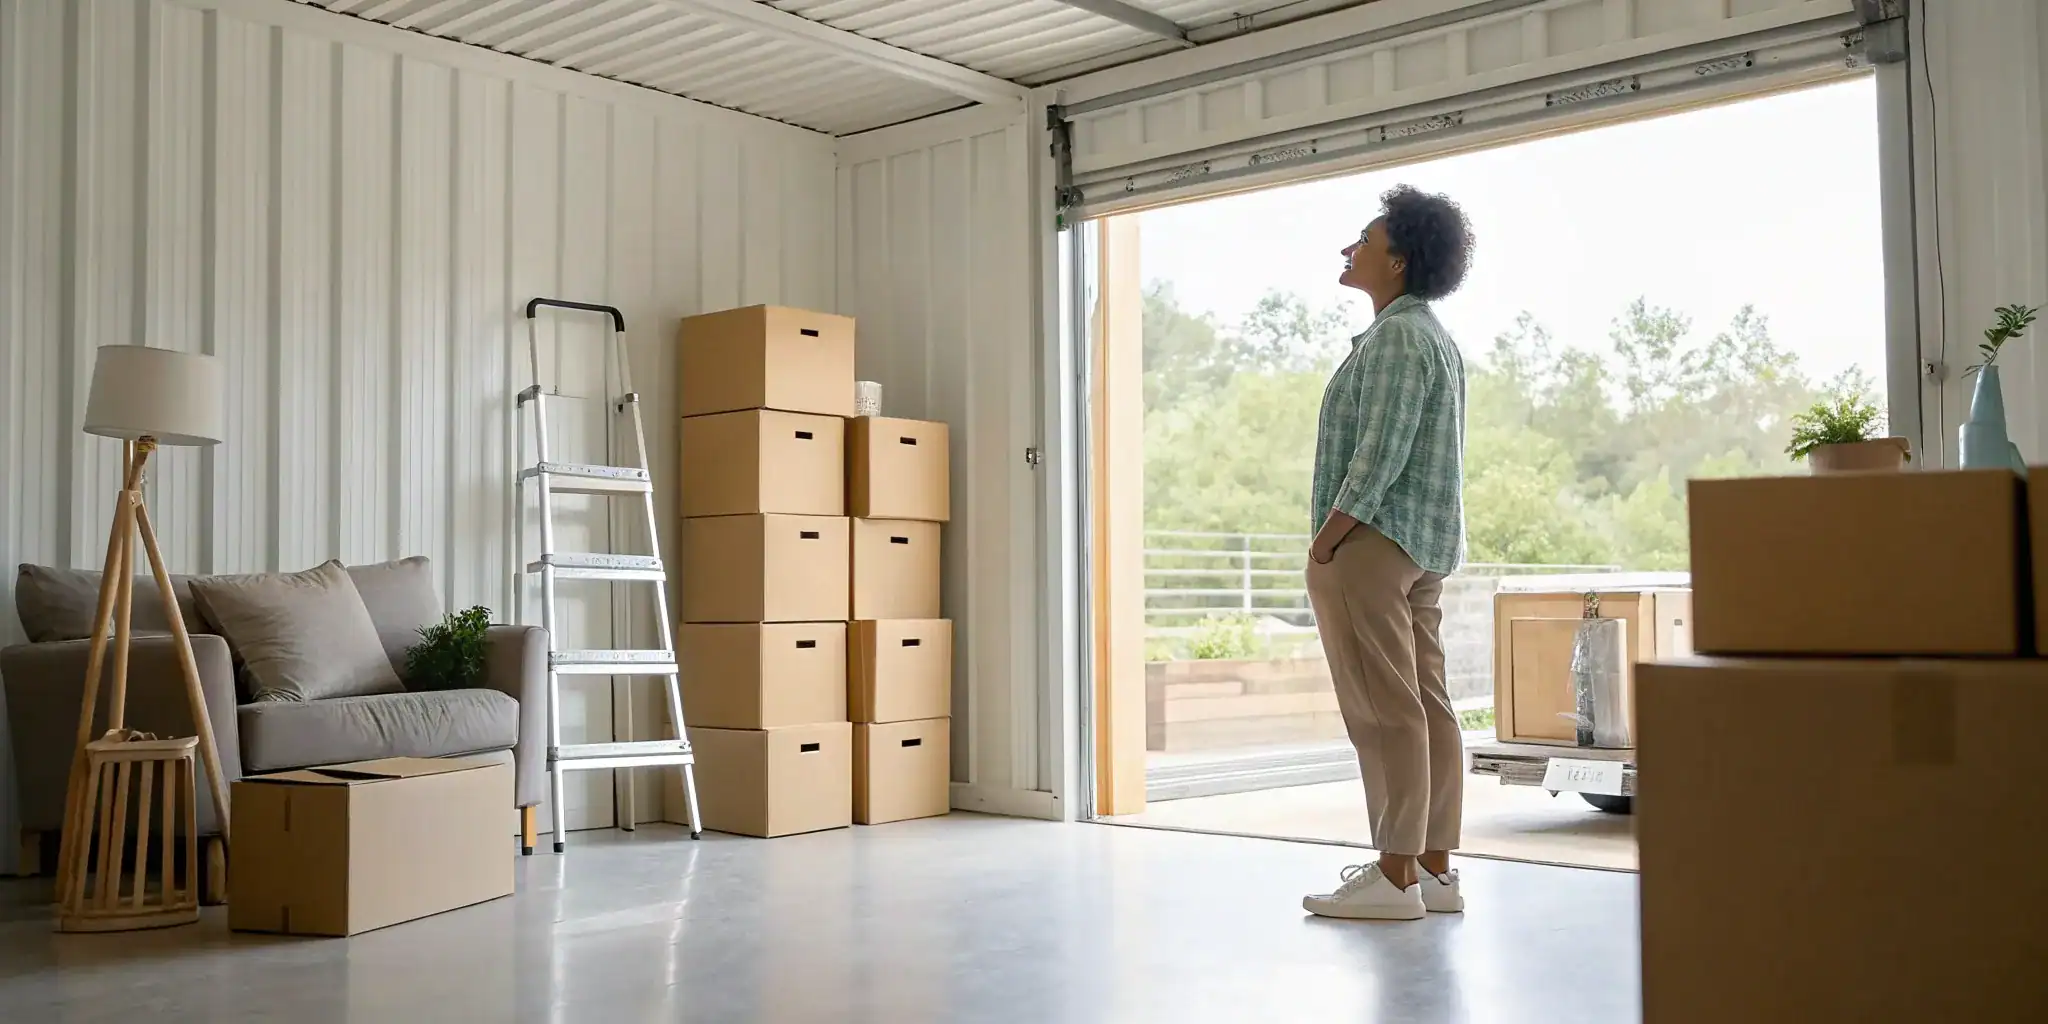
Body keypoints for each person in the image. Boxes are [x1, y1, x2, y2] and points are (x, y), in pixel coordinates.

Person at [1300, 185, 1474, 922]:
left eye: (1364, 240)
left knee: (1383, 709)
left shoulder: (1400, 337)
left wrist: (1329, 537)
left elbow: (1380, 452)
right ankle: (1434, 869)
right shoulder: (1431, 335)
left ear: (1398, 260)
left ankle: (1395, 875)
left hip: (1375, 543)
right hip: (1421, 546)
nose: (1350, 249)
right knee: (1426, 705)